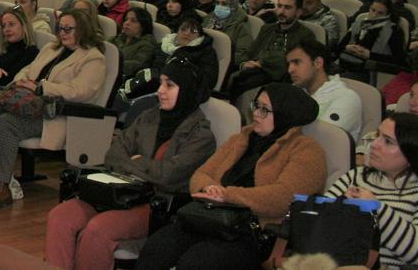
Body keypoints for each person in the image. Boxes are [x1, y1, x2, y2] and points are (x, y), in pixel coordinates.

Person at [46, 58, 216, 270]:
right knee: (60, 217)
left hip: (155, 205)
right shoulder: (149, 117)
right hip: (118, 193)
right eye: (161, 83)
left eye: (169, 85)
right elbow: (113, 155)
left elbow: (169, 176)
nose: (160, 91)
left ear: (188, 91)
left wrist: (136, 162)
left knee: (97, 230)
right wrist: (142, 166)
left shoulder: (201, 136)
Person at [137, 83, 325, 270]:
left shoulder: (306, 150)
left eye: (265, 110)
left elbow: (284, 197)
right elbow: (201, 174)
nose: (256, 114)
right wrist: (209, 188)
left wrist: (227, 195)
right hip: (210, 218)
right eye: (256, 106)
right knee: (156, 249)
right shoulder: (241, 139)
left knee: (196, 264)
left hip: (252, 232)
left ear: (286, 114)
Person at [0, 9, 106, 208]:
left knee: (6, 123)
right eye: (60, 28)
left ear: (83, 30)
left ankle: (1, 186)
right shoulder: (52, 49)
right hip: (28, 106)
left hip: (56, 115)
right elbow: (27, 70)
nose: (63, 33)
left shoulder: (93, 58)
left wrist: (41, 87)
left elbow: (80, 91)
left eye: (68, 29)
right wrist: (20, 82)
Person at [324, 113, 418, 270]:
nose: (374, 144)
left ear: (411, 153)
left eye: (388, 141)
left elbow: (415, 253)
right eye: (377, 135)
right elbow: (317, 228)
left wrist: (376, 210)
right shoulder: (356, 176)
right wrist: (342, 207)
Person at [229, 0, 317, 99]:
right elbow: (249, 53)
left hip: (280, 81)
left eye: (287, 8)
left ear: (298, 12)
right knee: (235, 78)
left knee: (243, 85)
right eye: (279, 6)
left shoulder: (305, 35)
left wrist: (263, 63)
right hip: (255, 73)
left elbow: (291, 67)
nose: (281, 11)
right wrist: (245, 64)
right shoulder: (267, 29)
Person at [121, 14, 219, 102]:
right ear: (177, 31)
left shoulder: (205, 52)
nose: (187, 33)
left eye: (193, 31)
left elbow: (208, 81)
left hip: (177, 94)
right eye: (183, 29)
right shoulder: (163, 46)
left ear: (199, 35)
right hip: (147, 86)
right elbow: (145, 65)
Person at [286, 41, 362, 139]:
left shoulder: (346, 98)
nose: (290, 69)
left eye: (296, 62)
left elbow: (321, 139)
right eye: (289, 64)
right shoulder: (294, 91)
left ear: (318, 63)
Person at [336, 0, 408, 82]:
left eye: (380, 13)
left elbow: (399, 61)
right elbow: (339, 47)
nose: (374, 15)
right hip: (346, 64)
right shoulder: (360, 23)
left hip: (371, 72)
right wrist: (347, 47)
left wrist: (369, 55)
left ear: (388, 14)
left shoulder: (393, 31)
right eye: (373, 10)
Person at [202, 0, 254, 84]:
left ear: (233, 5)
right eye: (217, 3)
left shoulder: (241, 25)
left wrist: (225, 62)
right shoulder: (209, 18)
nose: (219, 6)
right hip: (204, 58)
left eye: (224, 4)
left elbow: (243, 52)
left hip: (224, 65)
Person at [0, 8, 40, 83]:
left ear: (24, 26)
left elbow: (9, 80)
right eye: (4, 26)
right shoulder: (4, 47)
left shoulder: (32, 52)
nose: (6, 29)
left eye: (11, 24)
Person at [115, 7, 158, 81]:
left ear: (143, 25)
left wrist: (112, 62)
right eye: (126, 19)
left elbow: (138, 65)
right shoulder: (118, 38)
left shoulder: (147, 44)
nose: (127, 23)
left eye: (133, 21)